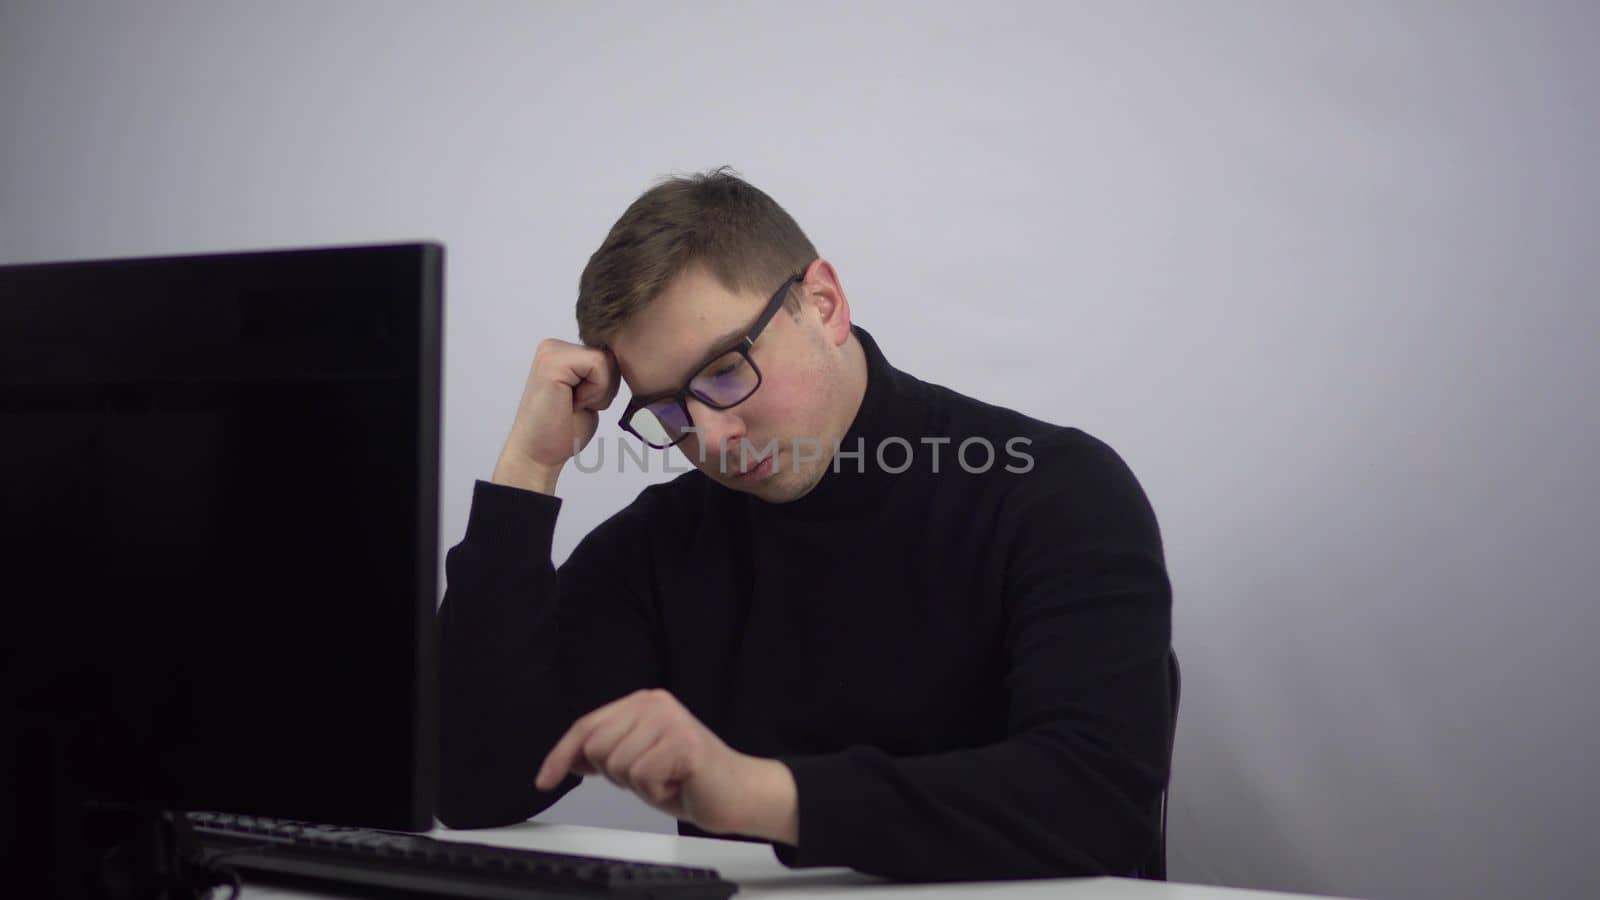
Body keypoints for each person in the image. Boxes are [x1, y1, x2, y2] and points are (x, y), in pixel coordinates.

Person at [437, 168, 1174, 882]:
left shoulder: (1051, 489)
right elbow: (475, 786)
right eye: (669, 411)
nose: (713, 440)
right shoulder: (661, 544)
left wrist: (756, 794)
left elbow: (1098, 801)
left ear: (822, 303)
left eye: (726, 371)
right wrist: (528, 470)